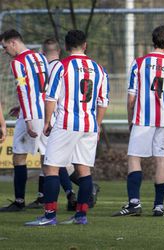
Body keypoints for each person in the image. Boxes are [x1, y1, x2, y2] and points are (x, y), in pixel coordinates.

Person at [25, 29, 109, 226]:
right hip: (89, 124)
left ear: (65, 46)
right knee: (84, 170)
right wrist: (97, 126)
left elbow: (51, 97)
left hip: (66, 123)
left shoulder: (61, 66)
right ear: (85, 45)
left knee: (51, 167)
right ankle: (81, 216)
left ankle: (49, 216)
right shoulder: (99, 69)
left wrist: (47, 122)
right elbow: (103, 102)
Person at [112, 25, 164, 217]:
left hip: (142, 119)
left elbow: (131, 98)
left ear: (153, 40)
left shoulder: (140, 63)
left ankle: (134, 203)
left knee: (135, 158)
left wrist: (130, 119)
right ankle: (159, 206)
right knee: (162, 161)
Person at [25, 38, 78, 211]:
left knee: (51, 160)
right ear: (60, 51)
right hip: (58, 115)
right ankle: (44, 196)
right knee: (49, 159)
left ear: (42, 51)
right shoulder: (63, 67)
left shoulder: (43, 68)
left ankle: (71, 193)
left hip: (46, 117)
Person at [0, 29, 49, 212]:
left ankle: (19, 201)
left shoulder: (18, 62)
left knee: (19, 156)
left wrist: (27, 118)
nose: (5, 51)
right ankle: (47, 198)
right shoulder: (41, 58)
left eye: (5, 47)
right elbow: (43, 87)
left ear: (13, 43)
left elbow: (24, 91)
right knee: (48, 158)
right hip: (46, 112)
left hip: (31, 115)